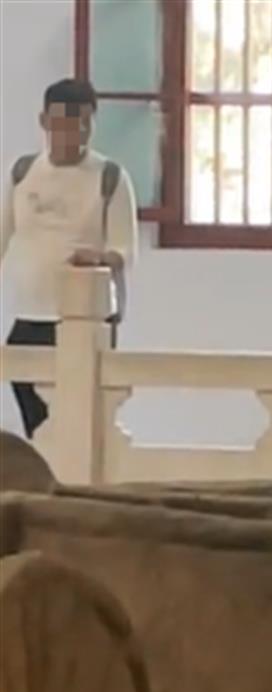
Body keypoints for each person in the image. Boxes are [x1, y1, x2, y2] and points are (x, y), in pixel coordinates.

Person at [0, 78, 137, 439]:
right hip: (30, 313)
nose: (72, 135)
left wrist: (99, 258)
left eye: (82, 125)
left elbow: (125, 250)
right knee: (34, 412)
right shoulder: (23, 174)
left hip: (84, 319)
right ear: (44, 122)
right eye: (62, 124)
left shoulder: (109, 178)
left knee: (80, 416)